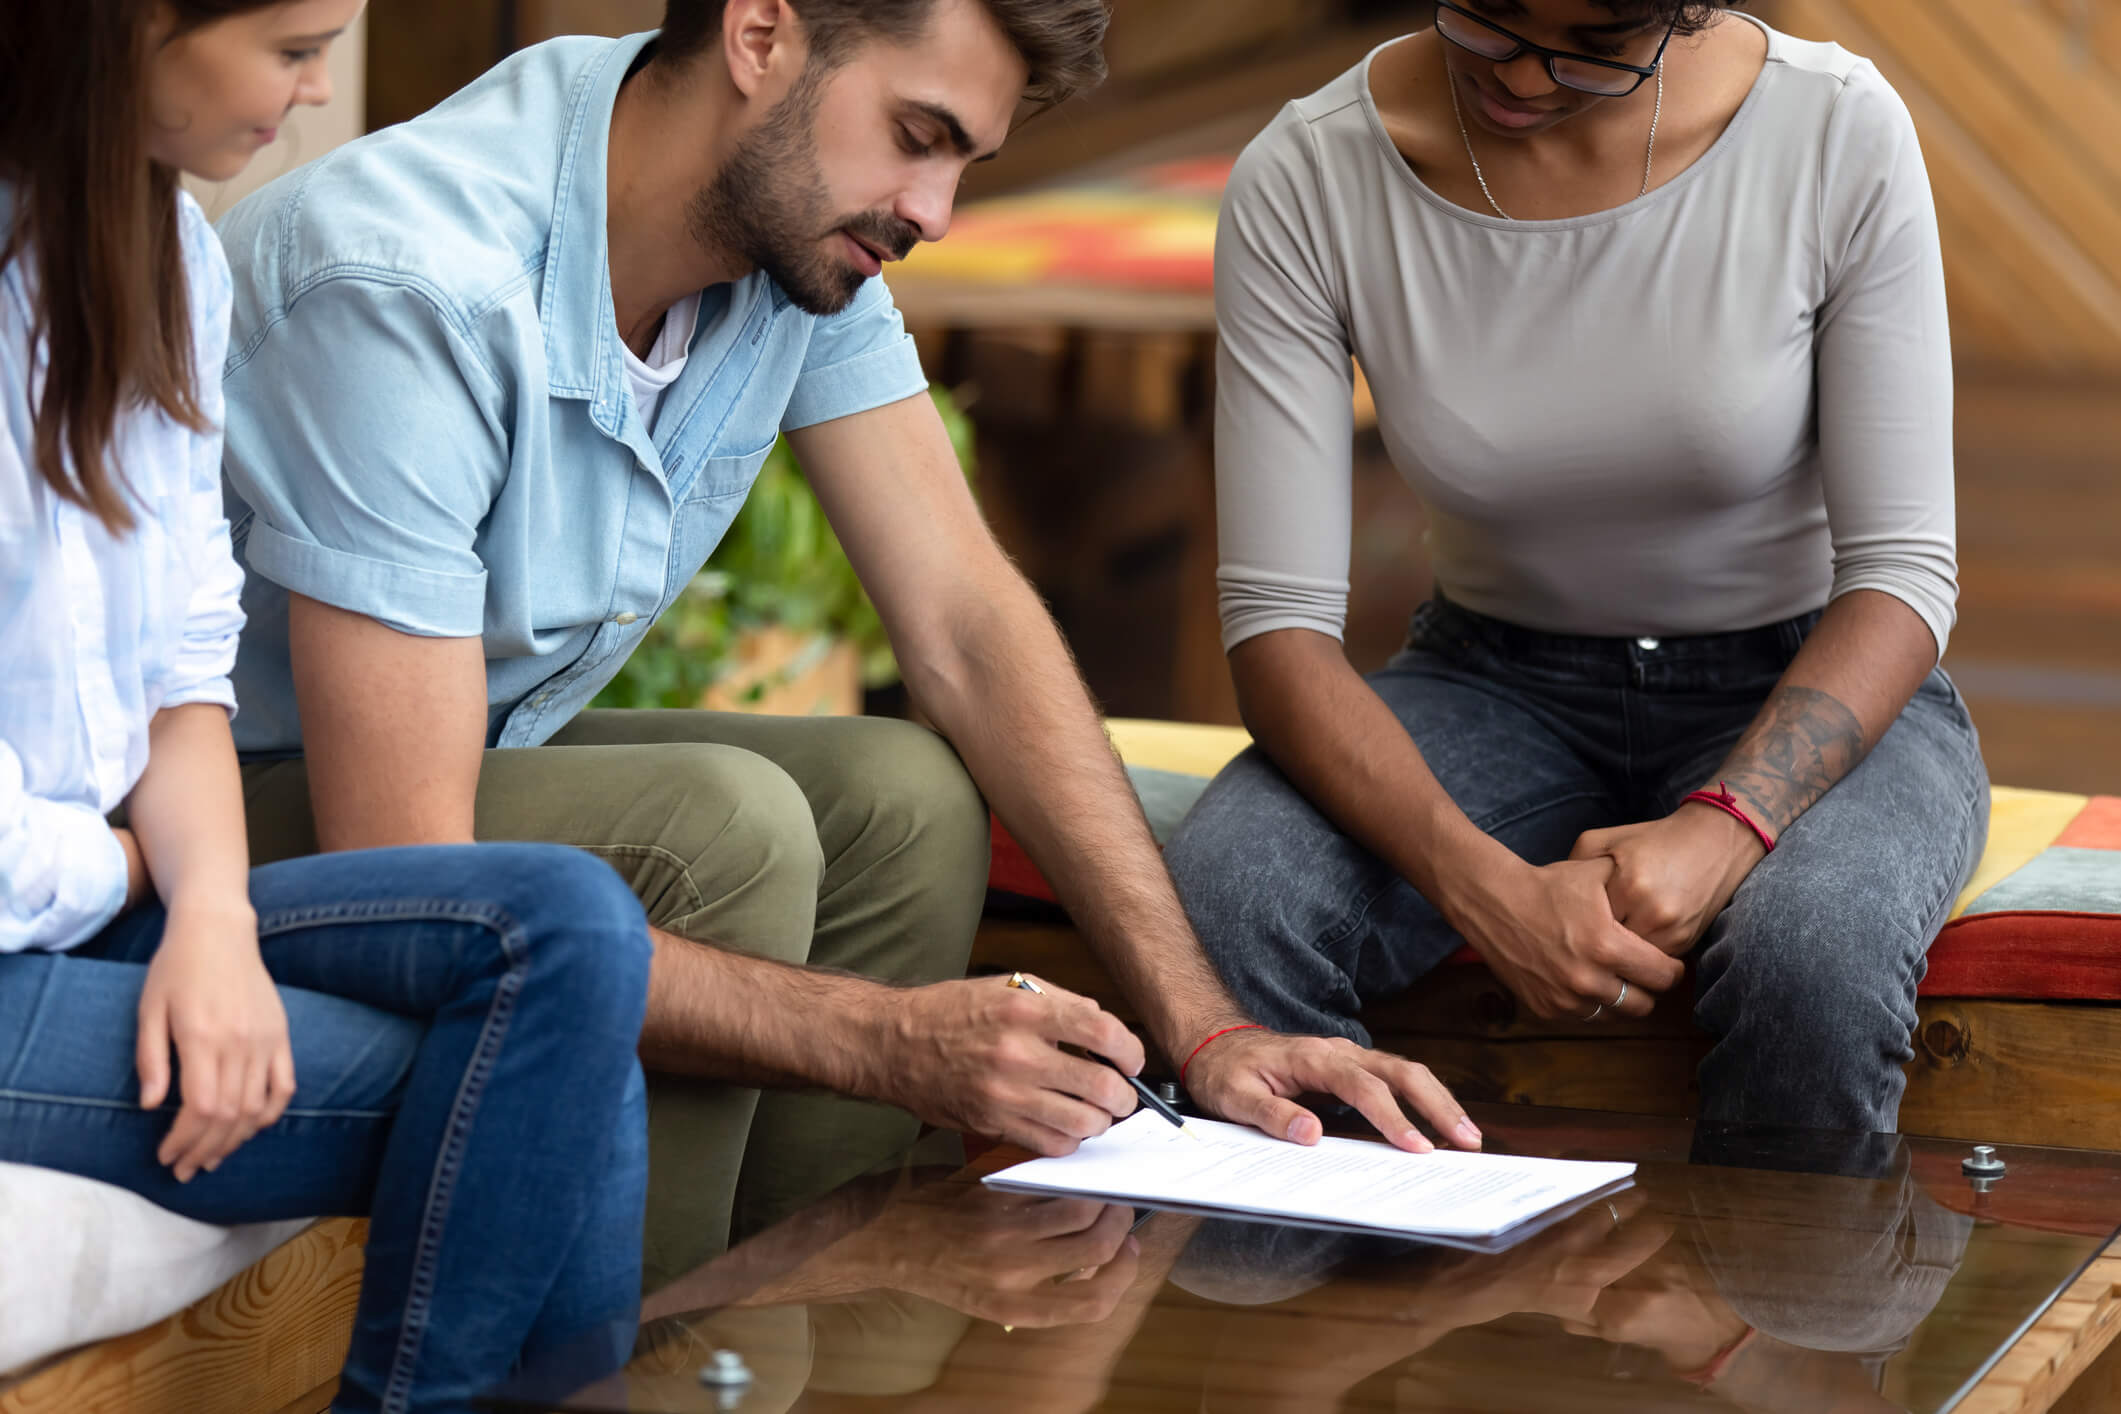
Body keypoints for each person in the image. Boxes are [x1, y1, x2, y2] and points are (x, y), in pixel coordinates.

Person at [207, 0, 1484, 1286]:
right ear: (760, 35)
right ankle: (640, 1367)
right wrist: (884, 1041)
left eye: (962, 164)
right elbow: (402, 854)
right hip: (208, 833)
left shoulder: (784, 236)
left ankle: (805, 1336)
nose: (933, 211)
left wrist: (1206, 1028)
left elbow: (968, 625)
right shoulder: (411, 276)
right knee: (718, 824)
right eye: (917, 136)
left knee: (905, 796)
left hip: (441, 762)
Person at [1165, 0, 1988, 1132]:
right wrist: (1482, 888)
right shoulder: (1311, 172)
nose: (1525, 80)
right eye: (1488, 18)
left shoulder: (1834, 129)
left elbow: (1902, 573)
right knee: (1227, 897)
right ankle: (1374, 1276)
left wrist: (1725, 825)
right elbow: (1277, 630)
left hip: (1806, 671)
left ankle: (1772, 1307)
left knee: (1816, 953)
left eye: (1594, 51)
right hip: (1490, 678)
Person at [0, 4, 654, 1409]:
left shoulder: (159, 255)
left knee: (573, 929)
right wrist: (144, 880)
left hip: (88, 903)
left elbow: (184, 665)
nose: (312, 96)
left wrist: (216, 925)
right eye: (293, 45)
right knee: (575, 1077)